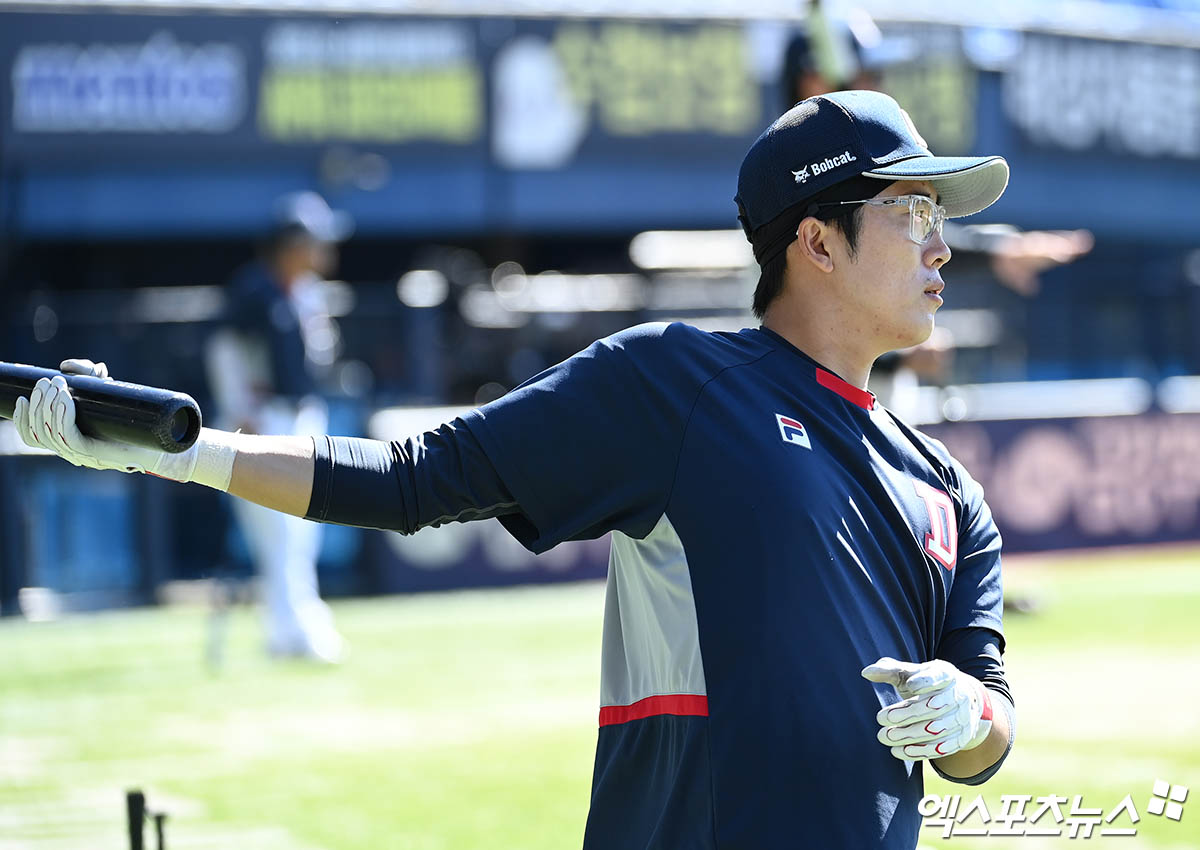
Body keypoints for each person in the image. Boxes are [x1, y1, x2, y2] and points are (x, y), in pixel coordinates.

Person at [14, 91, 1015, 848]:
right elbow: (411, 477)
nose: (942, 246)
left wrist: (973, 716)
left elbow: (987, 732)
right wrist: (177, 449)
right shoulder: (677, 383)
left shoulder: (954, 497)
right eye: (913, 211)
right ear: (815, 241)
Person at [204, 191, 352, 663]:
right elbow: (224, 352)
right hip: (261, 419)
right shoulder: (253, 289)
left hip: (301, 415)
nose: (322, 251)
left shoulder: (308, 293)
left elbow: (320, 357)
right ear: (291, 243)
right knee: (279, 534)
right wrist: (239, 409)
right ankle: (294, 634)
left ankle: (294, 630)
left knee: (303, 532)